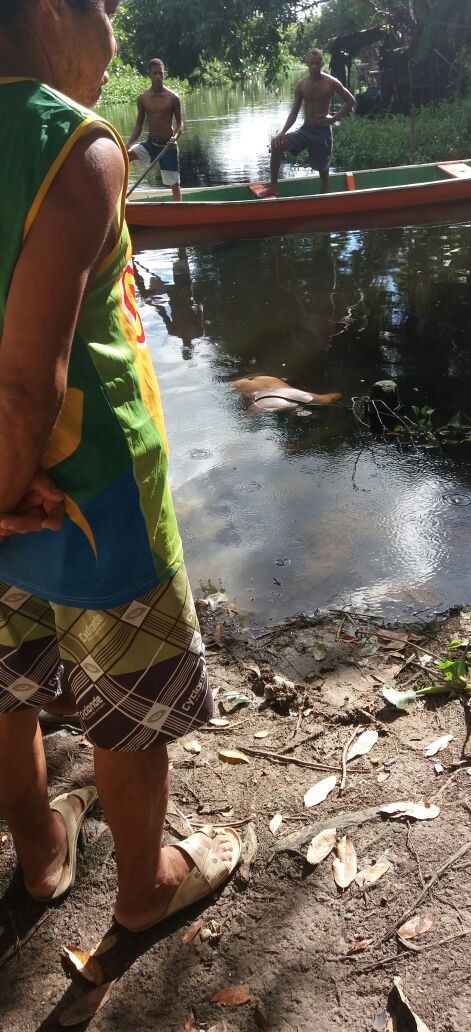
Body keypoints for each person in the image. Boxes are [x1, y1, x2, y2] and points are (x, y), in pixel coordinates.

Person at [0, 0, 240, 933]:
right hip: (88, 494)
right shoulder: (78, 145)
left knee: (7, 688)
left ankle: (42, 857)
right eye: (105, 9)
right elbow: (26, 392)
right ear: (54, 9)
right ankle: (143, 891)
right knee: (128, 714)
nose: (112, 35)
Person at [259, 48, 355, 198]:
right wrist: (282, 132)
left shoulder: (331, 82)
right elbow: (294, 112)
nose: (314, 67)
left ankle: (324, 203)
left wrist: (333, 119)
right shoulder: (301, 85)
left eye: (317, 63)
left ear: (322, 63)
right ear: (307, 63)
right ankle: (273, 188)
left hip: (322, 132)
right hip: (306, 130)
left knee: (324, 173)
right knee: (276, 144)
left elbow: (351, 101)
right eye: (311, 63)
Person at [127, 58, 184, 202]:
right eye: (155, 73)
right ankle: (121, 195)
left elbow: (180, 124)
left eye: (161, 73)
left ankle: (179, 211)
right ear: (149, 75)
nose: (158, 76)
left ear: (164, 74)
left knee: (174, 184)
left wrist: (174, 138)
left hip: (168, 146)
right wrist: (128, 143)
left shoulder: (173, 98)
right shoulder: (143, 98)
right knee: (125, 156)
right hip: (151, 144)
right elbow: (139, 126)